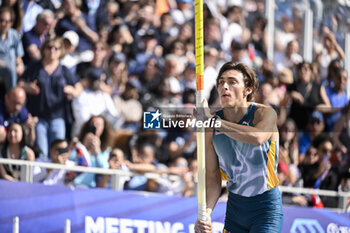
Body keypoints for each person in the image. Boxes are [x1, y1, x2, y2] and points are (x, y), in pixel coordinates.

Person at [195, 62, 283, 233]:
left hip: (265, 208)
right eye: (221, 82)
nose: (224, 87)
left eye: (232, 82)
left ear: (248, 89)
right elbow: (213, 176)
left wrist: (214, 122)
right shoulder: (211, 125)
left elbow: (257, 137)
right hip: (235, 209)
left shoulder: (265, 114)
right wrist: (205, 214)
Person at [19, 37, 83, 159]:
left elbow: (79, 88)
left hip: (58, 118)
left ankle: (55, 178)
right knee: (42, 153)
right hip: (39, 116)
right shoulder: (35, 67)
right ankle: (42, 177)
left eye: (56, 48)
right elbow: (20, 83)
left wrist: (72, 90)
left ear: (61, 51)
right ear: (44, 49)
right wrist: (28, 87)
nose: (52, 50)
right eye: (49, 47)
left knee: (59, 153)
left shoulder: (64, 70)